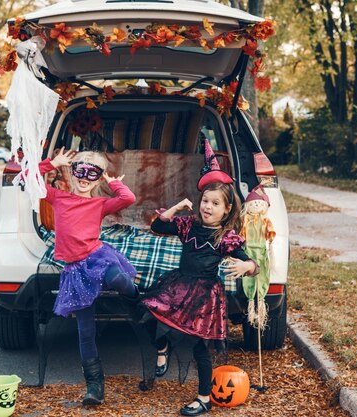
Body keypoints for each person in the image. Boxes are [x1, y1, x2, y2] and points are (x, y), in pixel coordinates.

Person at [140, 141, 258, 416]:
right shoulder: (187, 225)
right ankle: (162, 345)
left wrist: (247, 267)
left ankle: (205, 397)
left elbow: (253, 265)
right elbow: (157, 226)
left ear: (226, 210)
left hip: (205, 295)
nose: (207, 206)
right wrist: (177, 206)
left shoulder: (225, 238)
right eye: (205, 200)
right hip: (179, 285)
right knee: (146, 311)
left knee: (200, 347)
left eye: (215, 203)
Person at [38, 147, 139, 406]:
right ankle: (95, 385)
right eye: (79, 170)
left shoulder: (99, 203)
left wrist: (112, 182)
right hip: (75, 270)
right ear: (71, 173)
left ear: (98, 178)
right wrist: (52, 163)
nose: (84, 177)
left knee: (117, 276)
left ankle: (135, 298)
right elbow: (29, 180)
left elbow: (128, 198)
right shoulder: (58, 197)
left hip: (97, 257)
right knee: (85, 331)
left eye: (92, 173)